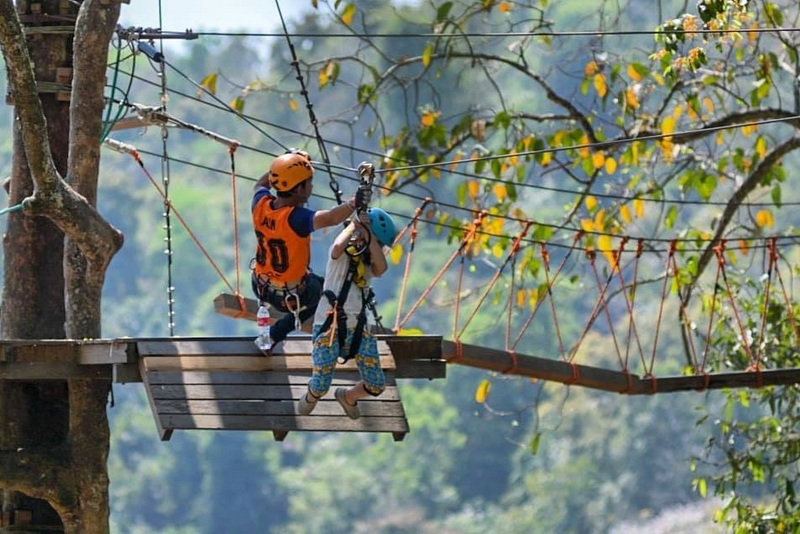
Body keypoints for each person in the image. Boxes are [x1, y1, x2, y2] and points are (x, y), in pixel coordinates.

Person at [251, 150, 367, 350]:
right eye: (308, 182)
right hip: (292, 296)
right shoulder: (297, 219)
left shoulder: (260, 204)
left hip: (260, 285)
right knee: (329, 291)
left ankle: (273, 337)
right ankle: (275, 335)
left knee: (314, 283)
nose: (312, 186)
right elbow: (331, 217)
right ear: (299, 190)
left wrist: (287, 163)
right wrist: (354, 203)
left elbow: (260, 184)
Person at [297, 207, 398, 420]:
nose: (378, 249)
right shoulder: (342, 257)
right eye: (379, 244)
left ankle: (349, 396)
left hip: (358, 328)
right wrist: (356, 225)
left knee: (376, 384)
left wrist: (368, 235)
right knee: (321, 385)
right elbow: (336, 246)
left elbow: (382, 267)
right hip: (330, 325)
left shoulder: (367, 266)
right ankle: (311, 396)